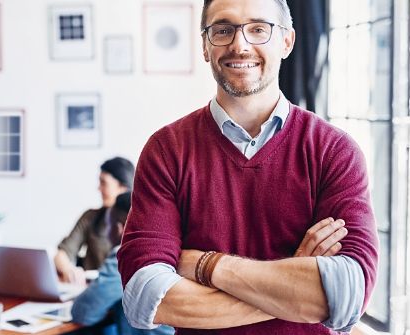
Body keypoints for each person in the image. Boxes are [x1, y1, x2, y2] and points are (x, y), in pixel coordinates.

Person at [117, 0, 379, 334]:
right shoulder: (166, 150)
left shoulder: (334, 151)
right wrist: (294, 286)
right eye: (223, 30)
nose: (240, 45)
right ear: (205, 46)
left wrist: (207, 265)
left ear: (287, 42)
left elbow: (345, 299)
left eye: (258, 29)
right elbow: (145, 300)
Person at [72, 192, 174, 335]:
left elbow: (83, 313)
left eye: (107, 225)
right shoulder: (169, 251)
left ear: (119, 229)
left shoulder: (127, 256)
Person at [54, 157, 134, 284]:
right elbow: (62, 253)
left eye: (103, 183)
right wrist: (69, 270)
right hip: (90, 288)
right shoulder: (90, 217)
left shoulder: (141, 222)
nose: (99, 188)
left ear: (123, 187)